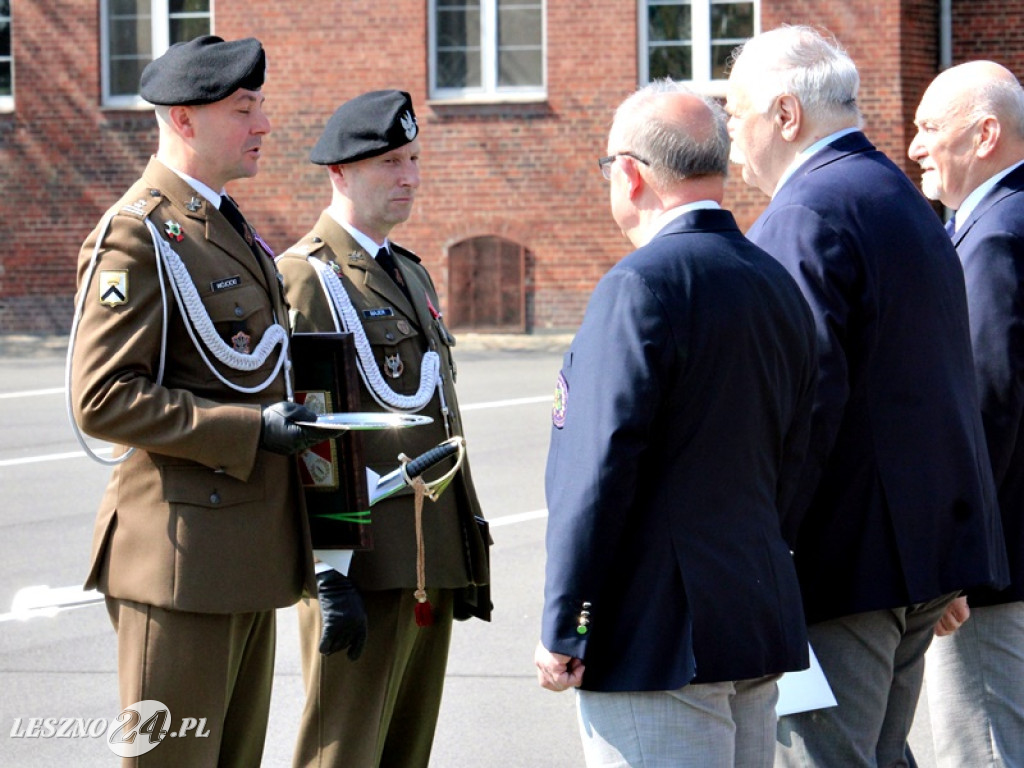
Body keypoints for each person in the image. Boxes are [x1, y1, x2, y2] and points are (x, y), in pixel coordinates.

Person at [725, 25, 1011, 768]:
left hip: (842, 563)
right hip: (915, 555)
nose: (731, 139)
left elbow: (801, 402)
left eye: (735, 114)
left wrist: (764, 550)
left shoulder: (806, 212)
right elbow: (946, 380)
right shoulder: (898, 197)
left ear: (785, 115)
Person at [534, 80, 819, 768]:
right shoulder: (773, 279)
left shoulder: (639, 284)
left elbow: (597, 472)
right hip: (751, 616)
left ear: (630, 174)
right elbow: (797, 457)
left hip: (655, 635)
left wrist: (568, 622)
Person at [67, 35, 326, 767]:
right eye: (244, 109)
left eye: (260, 106)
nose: (264, 124)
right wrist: (250, 430)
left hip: (243, 552)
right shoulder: (137, 234)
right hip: (180, 561)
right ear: (183, 120)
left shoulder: (220, 223)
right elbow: (103, 398)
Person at [276, 89, 491, 768]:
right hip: (364, 561)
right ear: (340, 173)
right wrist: (328, 571)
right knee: (341, 750)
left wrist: (464, 548)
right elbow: (309, 439)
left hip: (428, 555)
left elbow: (440, 418)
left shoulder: (411, 273)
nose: (410, 177)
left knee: (405, 751)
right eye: (390, 162)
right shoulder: (305, 278)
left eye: (414, 159)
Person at [907, 60, 1024, 768]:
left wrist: (951, 558)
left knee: (982, 749)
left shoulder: (994, 236)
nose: (915, 146)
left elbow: (984, 403)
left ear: (984, 135)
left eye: (929, 128)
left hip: (993, 573)